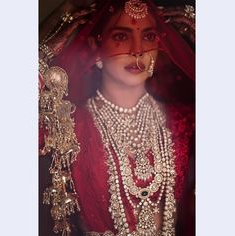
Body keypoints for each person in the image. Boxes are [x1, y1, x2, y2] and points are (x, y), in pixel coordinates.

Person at [39, 0, 195, 235]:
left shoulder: (184, 120)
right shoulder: (67, 125)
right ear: (95, 45)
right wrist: (41, 52)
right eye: (121, 37)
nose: (137, 50)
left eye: (149, 36)